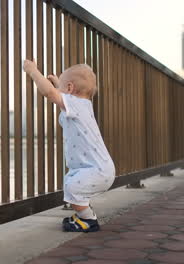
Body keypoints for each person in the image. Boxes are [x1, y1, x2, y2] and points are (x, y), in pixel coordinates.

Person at [23, 59, 116, 232]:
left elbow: (50, 94)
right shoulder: (81, 105)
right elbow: (61, 95)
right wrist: (60, 84)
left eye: (63, 88)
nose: (59, 91)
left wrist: (33, 71)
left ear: (70, 89)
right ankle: (83, 214)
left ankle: (89, 220)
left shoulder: (76, 104)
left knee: (72, 187)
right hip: (97, 168)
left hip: (98, 171)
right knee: (72, 183)